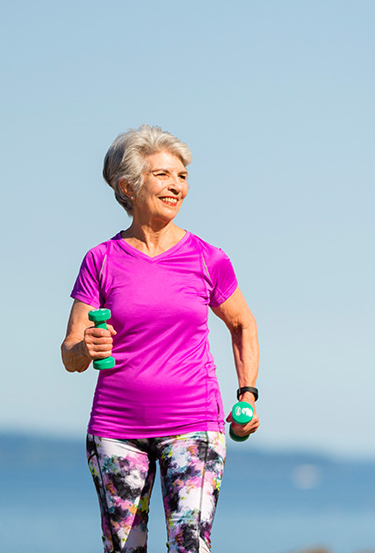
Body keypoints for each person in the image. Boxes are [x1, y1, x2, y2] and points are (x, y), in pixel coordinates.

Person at [61, 125, 260, 553]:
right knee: (124, 549)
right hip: (116, 430)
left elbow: (242, 324)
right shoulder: (101, 261)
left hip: (194, 425)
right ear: (127, 186)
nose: (176, 186)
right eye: (163, 175)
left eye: (182, 176)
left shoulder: (208, 258)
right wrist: (86, 348)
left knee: (190, 544)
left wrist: (248, 394)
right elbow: (70, 353)